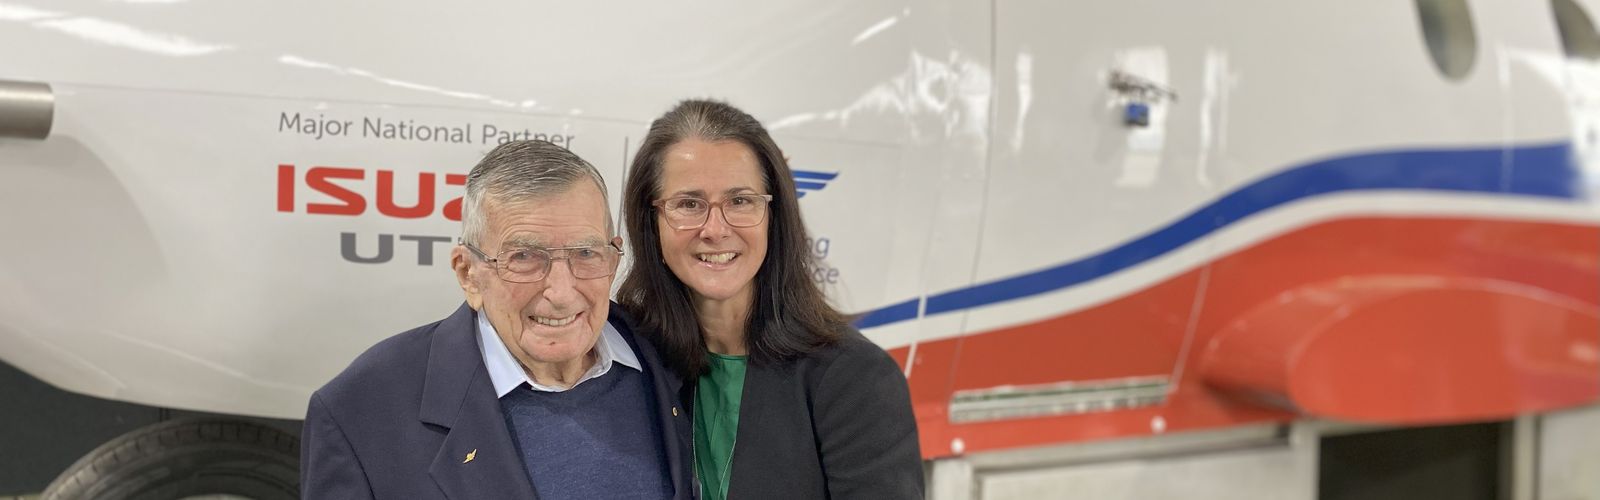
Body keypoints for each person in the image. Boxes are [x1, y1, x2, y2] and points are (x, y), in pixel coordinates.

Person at [301, 140, 693, 499]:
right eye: (523, 258)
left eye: (586, 253)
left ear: (613, 257)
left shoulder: (674, 357)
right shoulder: (360, 412)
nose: (561, 292)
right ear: (468, 274)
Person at [617, 99, 924, 499]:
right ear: (650, 221)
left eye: (740, 201)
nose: (715, 228)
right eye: (689, 204)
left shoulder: (856, 377)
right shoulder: (629, 359)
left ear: (773, 216)